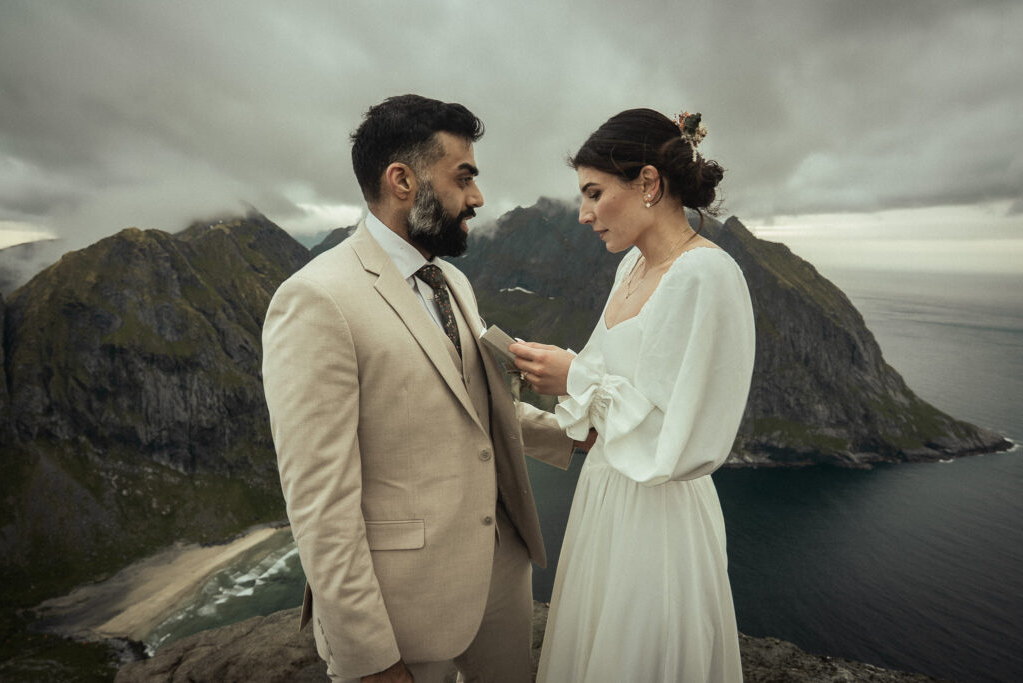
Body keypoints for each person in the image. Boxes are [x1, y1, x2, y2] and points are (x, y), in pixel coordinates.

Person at [261, 95, 586, 683]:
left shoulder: (453, 279)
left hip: (500, 577)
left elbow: (477, 407)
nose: (478, 198)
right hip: (403, 607)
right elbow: (319, 503)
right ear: (403, 180)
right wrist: (370, 660)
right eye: (464, 178)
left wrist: (575, 436)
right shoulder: (315, 300)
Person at [510, 108, 755, 682]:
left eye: (594, 193)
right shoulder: (633, 270)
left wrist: (574, 378)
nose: (583, 213)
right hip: (608, 497)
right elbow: (606, 391)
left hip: (659, 516)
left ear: (648, 183)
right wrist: (560, 371)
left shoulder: (706, 276)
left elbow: (687, 439)